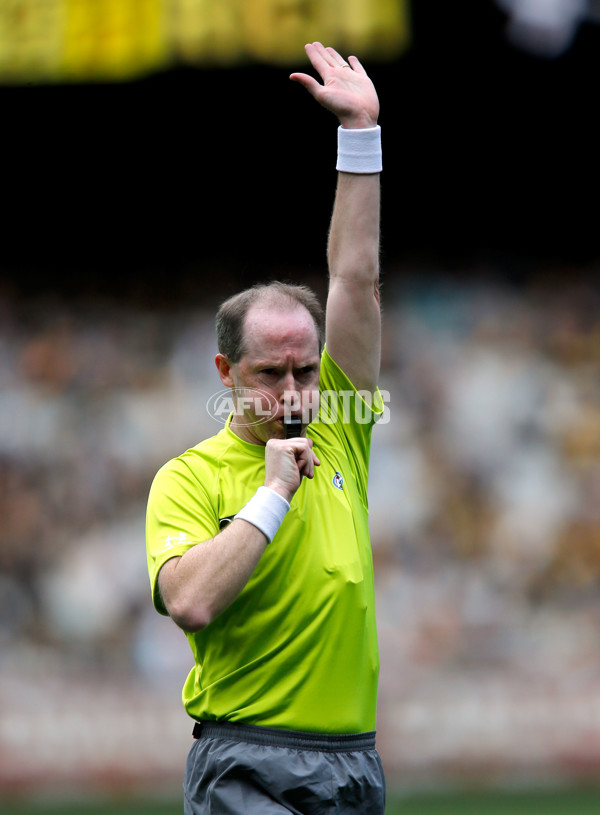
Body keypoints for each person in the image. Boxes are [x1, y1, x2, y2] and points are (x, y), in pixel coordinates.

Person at [146, 41, 385, 814]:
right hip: (246, 756)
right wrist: (273, 492)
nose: (293, 390)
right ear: (226, 374)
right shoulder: (189, 478)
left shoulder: (343, 429)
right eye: (268, 373)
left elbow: (354, 278)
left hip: (355, 761)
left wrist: (360, 136)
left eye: (307, 370)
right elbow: (190, 601)